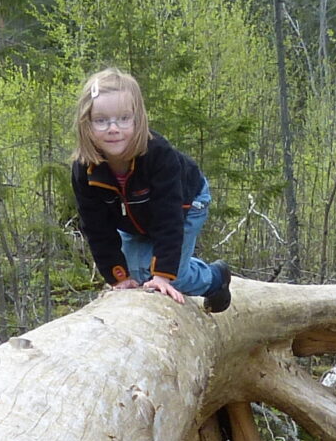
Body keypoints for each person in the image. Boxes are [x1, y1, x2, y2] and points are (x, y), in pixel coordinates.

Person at [68, 68, 234, 312]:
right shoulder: (85, 170)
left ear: (138, 119)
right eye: (101, 120)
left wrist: (163, 276)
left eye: (124, 119)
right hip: (134, 218)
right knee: (134, 273)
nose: (113, 128)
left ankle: (216, 278)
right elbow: (96, 228)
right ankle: (177, 268)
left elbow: (169, 219)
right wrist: (118, 277)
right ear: (86, 124)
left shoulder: (158, 155)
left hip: (187, 203)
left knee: (169, 276)